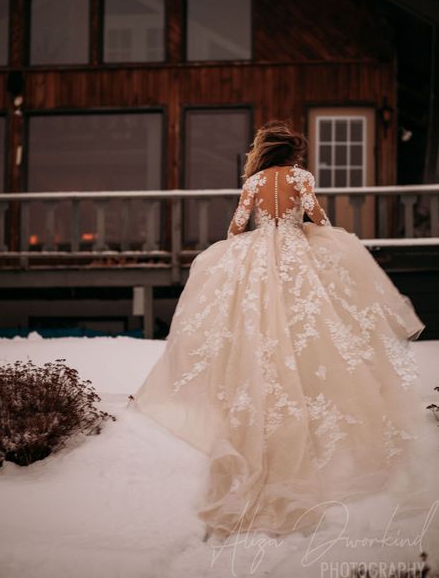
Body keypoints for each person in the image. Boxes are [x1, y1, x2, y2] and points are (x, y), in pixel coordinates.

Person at [126, 120, 431, 541]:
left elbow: (235, 228)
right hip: (294, 249)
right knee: (308, 316)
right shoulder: (301, 177)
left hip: (258, 254)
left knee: (256, 316)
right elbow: (319, 218)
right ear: (295, 155)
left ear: (266, 152)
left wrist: (256, 232)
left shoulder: (253, 181)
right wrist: (303, 228)